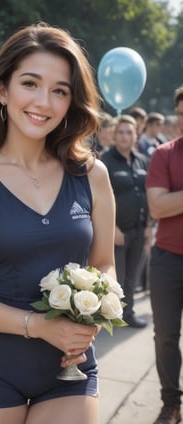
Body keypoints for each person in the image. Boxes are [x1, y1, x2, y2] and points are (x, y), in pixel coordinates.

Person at [0, 22, 116, 424]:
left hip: (69, 367)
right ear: (2, 90)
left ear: (72, 100)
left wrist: (96, 306)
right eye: (30, 84)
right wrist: (38, 325)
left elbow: (104, 262)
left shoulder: (92, 175)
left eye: (60, 90)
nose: (43, 102)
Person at [146, 85, 183, 424]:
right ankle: (171, 402)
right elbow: (158, 206)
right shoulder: (163, 154)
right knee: (166, 335)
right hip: (168, 260)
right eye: (182, 115)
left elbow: (170, 201)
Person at [101, 115, 150, 328]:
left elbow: (148, 193)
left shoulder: (142, 160)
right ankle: (109, 316)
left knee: (131, 275)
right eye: (120, 132)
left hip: (139, 230)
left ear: (135, 135)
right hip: (117, 232)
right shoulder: (105, 160)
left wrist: (148, 225)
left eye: (129, 132)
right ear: (114, 134)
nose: (124, 136)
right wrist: (113, 229)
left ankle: (127, 313)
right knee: (115, 277)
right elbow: (101, 199)